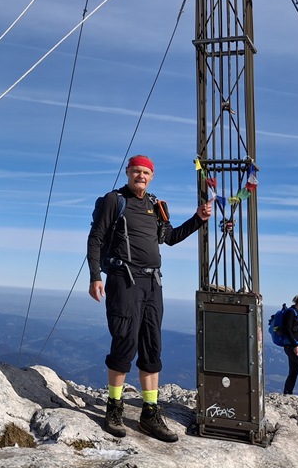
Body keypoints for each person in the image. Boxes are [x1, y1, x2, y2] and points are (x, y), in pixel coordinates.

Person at [87, 154, 212, 442]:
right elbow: (96, 238)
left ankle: (150, 413)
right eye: (136, 171)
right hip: (124, 280)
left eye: (145, 172)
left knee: (152, 346)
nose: (140, 176)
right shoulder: (114, 200)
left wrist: (199, 219)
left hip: (153, 283)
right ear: (128, 172)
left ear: (152, 176)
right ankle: (114, 407)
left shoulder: (157, 205)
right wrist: (95, 276)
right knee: (124, 342)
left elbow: (170, 238)